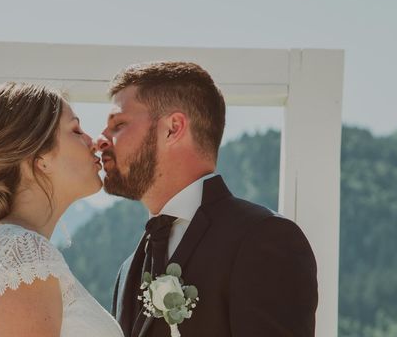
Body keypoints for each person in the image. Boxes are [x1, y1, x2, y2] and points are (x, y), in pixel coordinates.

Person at [98, 61, 319, 337]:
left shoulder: (265, 238)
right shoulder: (128, 269)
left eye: (118, 124)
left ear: (173, 128)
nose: (100, 140)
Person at [0, 82, 123, 337]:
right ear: (41, 159)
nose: (93, 142)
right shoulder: (22, 251)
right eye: (76, 130)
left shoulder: (11, 246)